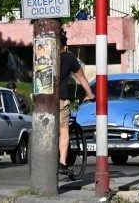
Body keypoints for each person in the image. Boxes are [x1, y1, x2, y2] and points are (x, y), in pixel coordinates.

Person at [58, 33, 94, 175]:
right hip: (60, 99)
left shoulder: (40, 55)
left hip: (42, 99)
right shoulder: (68, 57)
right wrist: (90, 94)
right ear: (64, 46)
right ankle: (62, 162)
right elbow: (81, 76)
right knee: (64, 129)